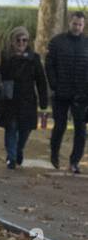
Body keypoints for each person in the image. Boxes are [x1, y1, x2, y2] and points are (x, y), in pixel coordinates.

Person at [0, 27, 49, 169]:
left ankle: (18, 150)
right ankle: (11, 157)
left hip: (27, 99)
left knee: (25, 129)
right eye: (18, 40)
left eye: (24, 40)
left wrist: (44, 101)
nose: (21, 43)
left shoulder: (34, 58)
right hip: (10, 98)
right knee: (11, 127)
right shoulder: (5, 56)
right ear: (12, 41)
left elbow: (41, 80)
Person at [45, 11, 88, 173]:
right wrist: (54, 85)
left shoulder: (86, 43)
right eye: (75, 23)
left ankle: (75, 161)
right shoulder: (57, 42)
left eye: (80, 24)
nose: (77, 27)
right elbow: (49, 65)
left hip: (81, 94)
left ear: (83, 25)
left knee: (81, 130)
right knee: (59, 126)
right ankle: (54, 153)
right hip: (61, 93)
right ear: (69, 23)